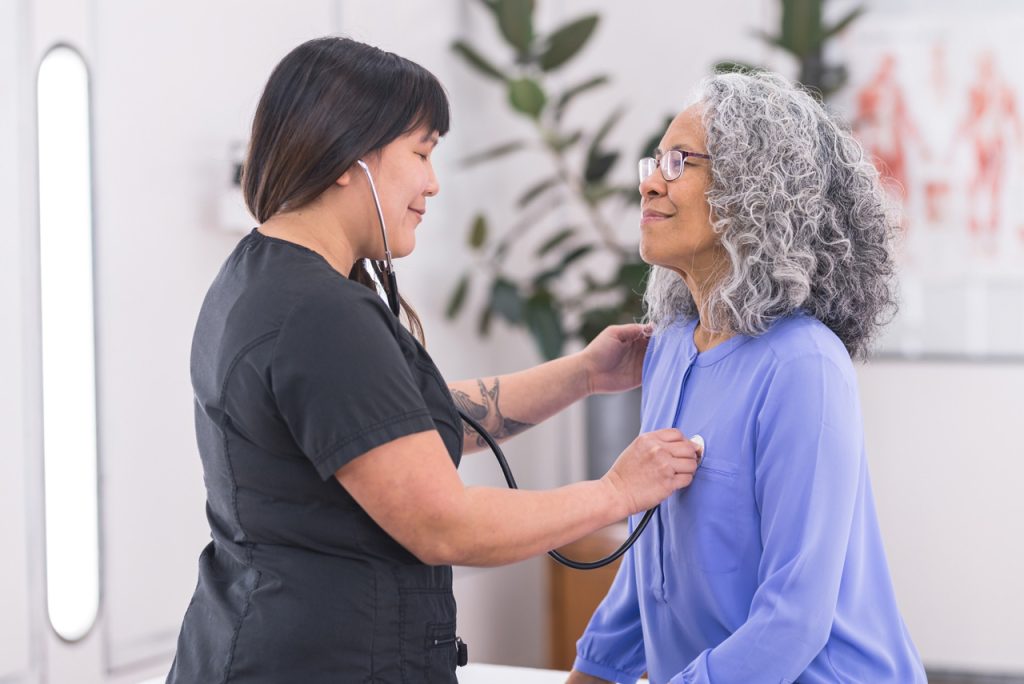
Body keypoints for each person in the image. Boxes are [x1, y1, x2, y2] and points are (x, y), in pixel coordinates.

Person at [165, 37, 702, 684]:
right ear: (347, 155)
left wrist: (585, 374)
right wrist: (615, 492)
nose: (432, 182)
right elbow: (443, 523)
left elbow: (401, 424)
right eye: (421, 152)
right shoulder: (318, 314)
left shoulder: (262, 279)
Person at [568, 72, 927, 684]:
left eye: (680, 162)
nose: (650, 181)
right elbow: (644, 574)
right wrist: (590, 673)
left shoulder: (803, 365)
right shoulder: (671, 349)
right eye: (654, 161)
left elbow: (792, 621)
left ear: (753, 191)